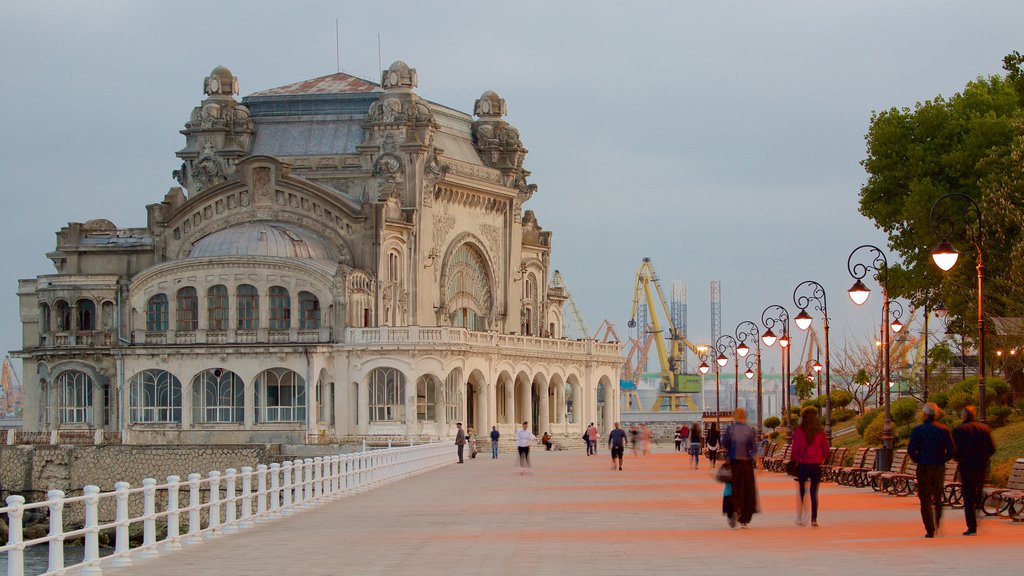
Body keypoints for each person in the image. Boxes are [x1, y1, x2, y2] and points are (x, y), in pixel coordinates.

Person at [907, 402, 955, 538]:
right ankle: (937, 521)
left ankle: (929, 528)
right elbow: (952, 449)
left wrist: (918, 459)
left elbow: (911, 450)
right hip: (938, 467)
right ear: (937, 414)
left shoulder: (918, 430)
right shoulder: (943, 430)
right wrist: (943, 459)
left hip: (923, 467)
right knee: (938, 496)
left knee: (925, 498)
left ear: (925, 414)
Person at [952, 405, 995, 536]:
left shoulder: (959, 430)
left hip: (966, 467)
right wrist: (983, 458)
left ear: (964, 416)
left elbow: (954, 449)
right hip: (981, 466)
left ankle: (972, 525)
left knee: (968, 495)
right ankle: (977, 511)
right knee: (977, 491)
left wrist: (959, 458)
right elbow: (992, 448)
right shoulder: (984, 429)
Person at [792, 406, 829, 527]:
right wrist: (821, 460)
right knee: (814, 493)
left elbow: (795, 449)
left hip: (803, 464)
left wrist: (794, 461)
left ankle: (802, 516)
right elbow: (826, 451)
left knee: (802, 491)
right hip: (816, 466)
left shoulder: (798, 431)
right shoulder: (821, 433)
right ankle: (814, 520)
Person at [722, 408, 758, 528]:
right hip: (746, 465)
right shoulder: (749, 430)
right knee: (747, 491)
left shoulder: (730, 429)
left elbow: (725, 443)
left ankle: (733, 511)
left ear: (735, 417)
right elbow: (754, 449)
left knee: (734, 490)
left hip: (733, 464)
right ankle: (744, 519)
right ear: (745, 417)